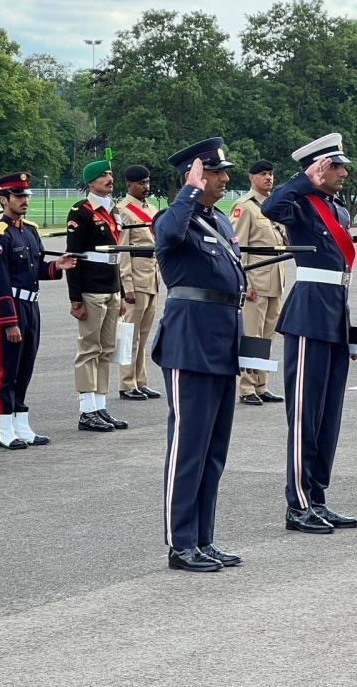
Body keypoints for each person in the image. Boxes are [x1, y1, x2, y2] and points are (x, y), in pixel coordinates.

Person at [153, 137, 244, 572]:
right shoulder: (173, 218)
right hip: (189, 343)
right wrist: (188, 191)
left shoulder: (220, 221)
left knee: (214, 449)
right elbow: (169, 234)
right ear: (195, 174)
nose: (225, 178)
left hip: (223, 340)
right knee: (187, 447)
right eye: (216, 172)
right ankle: (180, 543)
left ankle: (204, 539)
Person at [262, 133, 357, 534]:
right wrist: (304, 180)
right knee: (304, 415)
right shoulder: (300, 203)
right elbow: (271, 206)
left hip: (335, 311)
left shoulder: (336, 209)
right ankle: (297, 504)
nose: (343, 173)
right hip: (308, 313)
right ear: (318, 167)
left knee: (327, 415)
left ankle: (317, 497)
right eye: (336, 166)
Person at [0, 173, 78, 448]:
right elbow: (0, 283)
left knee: (25, 368)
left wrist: (57, 266)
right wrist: (9, 321)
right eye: (18, 196)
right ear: (3, 200)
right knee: (6, 370)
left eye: (26, 196)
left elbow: (34, 270)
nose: (24, 200)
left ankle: (21, 425)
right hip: (10, 308)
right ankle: (5, 429)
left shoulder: (30, 230)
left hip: (31, 305)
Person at [66, 160, 128, 431]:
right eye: (103, 175)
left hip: (111, 287)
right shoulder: (81, 212)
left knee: (106, 350)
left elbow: (115, 256)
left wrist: (122, 293)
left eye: (111, 174)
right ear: (90, 182)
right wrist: (75, 298)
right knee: (89, 349)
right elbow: (73, 258)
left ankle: (100, 406)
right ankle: (86, 409)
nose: (109, 178)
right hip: (90, 288)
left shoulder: (112, 209)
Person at [229, 159, 286, 406]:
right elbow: (237, 249)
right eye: (263, 174)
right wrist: (245, 282)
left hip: (275, 279)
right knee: (252, 335)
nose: (268, 178)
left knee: (267, 337)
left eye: (271, 174)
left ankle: (262, 385)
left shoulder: (272, 206)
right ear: (251, 177)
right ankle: (246, 387)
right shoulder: (245, 207)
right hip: (256, 280)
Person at [116, 165, 161, 401]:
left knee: (143, 336)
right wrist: (127, 287)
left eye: (147, 182)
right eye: (141, 183)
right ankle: (126, 383)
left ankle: (140, 380)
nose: (146, 186)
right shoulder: (123, 211)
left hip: (151, 276)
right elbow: (123, 251)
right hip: (135, 276)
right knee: (130, 335)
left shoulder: (151, 209)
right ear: (129, 185)